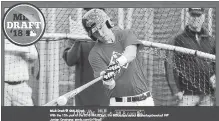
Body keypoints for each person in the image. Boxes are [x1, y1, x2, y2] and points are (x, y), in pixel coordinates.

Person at [82, 9, 154, 106]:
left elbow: (131, 53)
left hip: (146, 100)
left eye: (101, 27)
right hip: (121, 104)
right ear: (92, 35)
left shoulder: (125, 34)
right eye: (95, 32)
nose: (101, 34)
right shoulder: (94, 54)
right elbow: (110, 86)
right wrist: (108, 79)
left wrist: (116, 63)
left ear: (107, 22)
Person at [62, 8, 109, 106]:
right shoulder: (77, 34)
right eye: (87, 12)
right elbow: (70, 61)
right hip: (83, 93)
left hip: (106, 92)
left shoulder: (111, 33)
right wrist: (78, 39)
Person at [173, 8, 216, 106]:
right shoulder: (179, 39)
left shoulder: (211, 40)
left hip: (207, 94)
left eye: (198, 15)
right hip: (187, 94)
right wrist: (176, 90)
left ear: (204, 17)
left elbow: (215, 63)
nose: (195, 18)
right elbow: (171, 66)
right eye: (193, 15)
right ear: (188, 16)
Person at [4, 39, 38, 106]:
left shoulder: (26, 39)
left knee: (28, 114)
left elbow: (34, 58)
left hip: (20, 86)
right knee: (3, 115)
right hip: (2, 86)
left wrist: (26, 55)